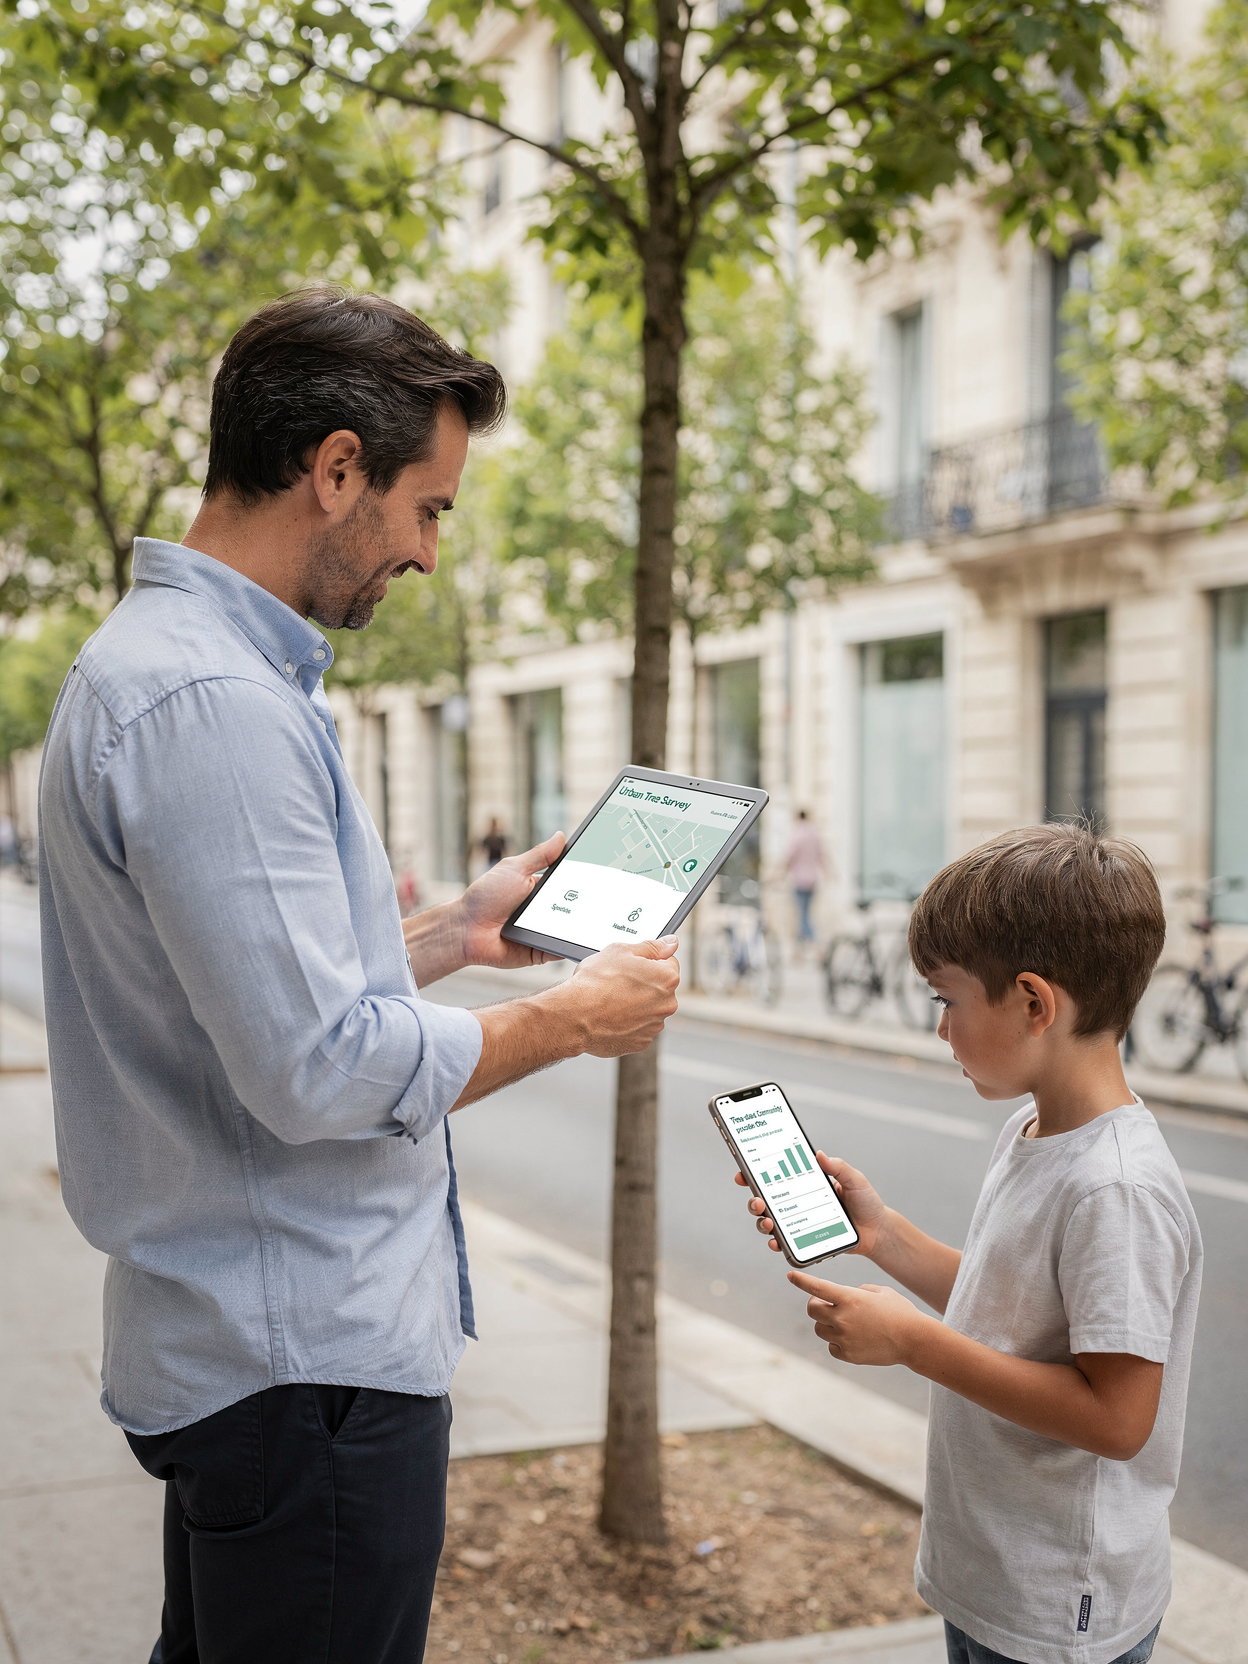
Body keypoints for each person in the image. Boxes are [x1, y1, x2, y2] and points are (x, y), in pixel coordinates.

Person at [38, 289, 681, 1664]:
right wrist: (570, 1018)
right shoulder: (215, 703)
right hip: (302, 1371)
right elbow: (320, 1067)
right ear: (336, 470)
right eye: (427, 508)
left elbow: (244, 1001)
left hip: (259, 1359)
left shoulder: (171, 668)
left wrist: (453, 935)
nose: (429, 554)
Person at [739, 825, 1201, 1664]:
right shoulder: (1035, 1129)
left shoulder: (1115, 1188)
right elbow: (1011, 1312)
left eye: (945, 1002)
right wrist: (883, 1234)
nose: (941, 1030)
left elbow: (1118, 1419)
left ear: (1033, 1003)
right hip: (994, 1572)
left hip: (1059, 1605)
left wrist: (915, 1345)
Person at [785, 809, 823, 948]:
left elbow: (789, 857)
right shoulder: (815, 835)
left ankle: (816, 941)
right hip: (813, 880)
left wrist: (779, 873)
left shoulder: (797, 835)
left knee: (802, 915)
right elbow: (821, 856)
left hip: (800, 880)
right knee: (805, 913)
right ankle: (800, 948)